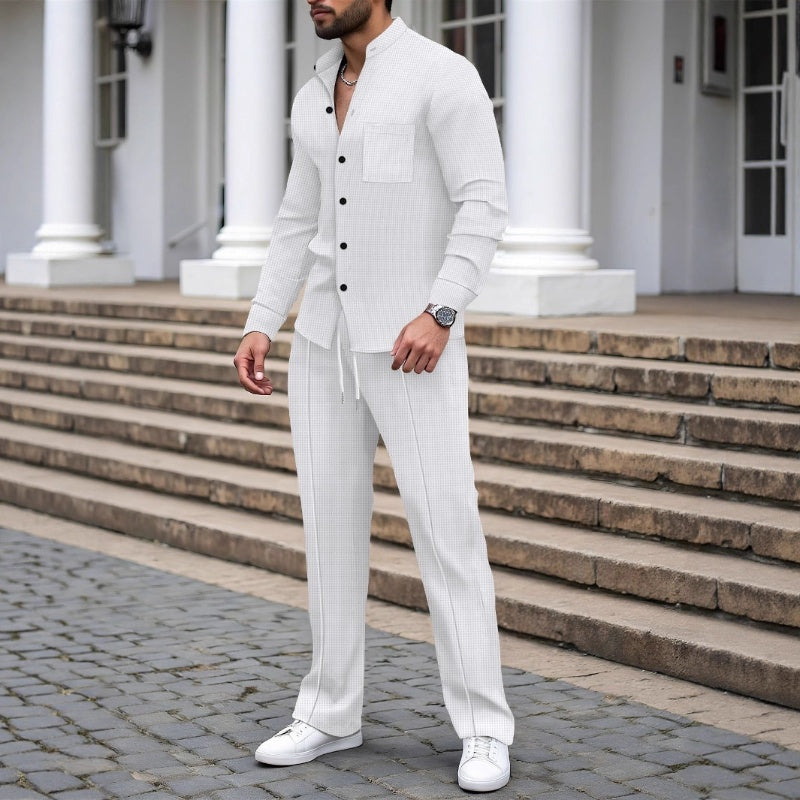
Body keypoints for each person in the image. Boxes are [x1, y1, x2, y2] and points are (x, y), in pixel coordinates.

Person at [233, 0, 514, 792]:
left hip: (411, 346)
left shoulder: (442, 76)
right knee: (328, 533)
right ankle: (330, 712)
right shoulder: (314, 91)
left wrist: (442, 310)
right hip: (322, 344)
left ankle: (484, 728)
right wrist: (262, 321)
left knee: (447, 532)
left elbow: (484, 203)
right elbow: (297, 219)